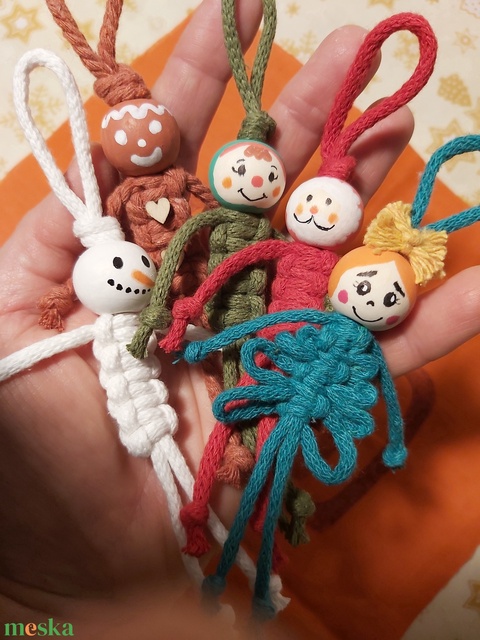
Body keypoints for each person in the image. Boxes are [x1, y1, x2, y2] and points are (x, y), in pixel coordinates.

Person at [0, 0, 479, 637]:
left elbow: (242, 261)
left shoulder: (284, 249)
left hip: (254, 341)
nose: (258, 182)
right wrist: (177, 309)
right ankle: (224, 516)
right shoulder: (166, 208)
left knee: (249, 418)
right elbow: (200, 247)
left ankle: (233, 508)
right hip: (201, 332)